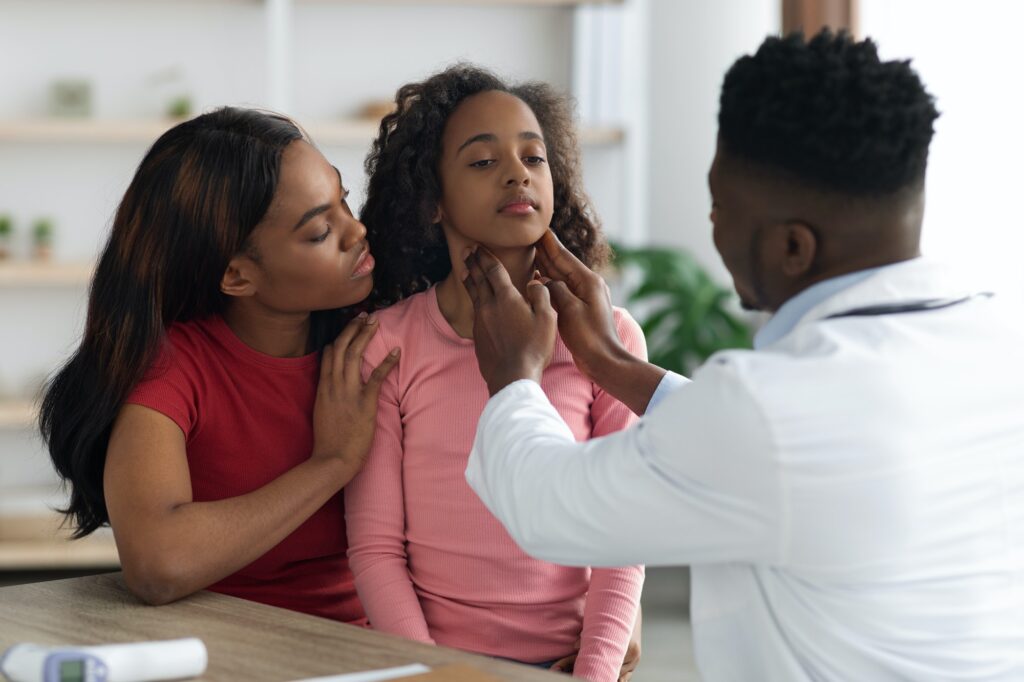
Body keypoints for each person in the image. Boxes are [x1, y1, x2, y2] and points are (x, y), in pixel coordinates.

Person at [460, 31, 1024, 681]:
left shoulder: (769, 414)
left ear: (793, 249)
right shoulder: (1000, 341)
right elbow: (780, 448)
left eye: (720, 204)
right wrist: (612, 366)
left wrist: (512, 374)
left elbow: (547, 507)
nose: (712, 223)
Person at [40, 107, 399, 622]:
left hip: (378, 647)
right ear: (237, 276)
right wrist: (332, 464)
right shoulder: (173, 369)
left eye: (343, 200)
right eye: (320, 231)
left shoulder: (377, 335)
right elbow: (157, 564)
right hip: (223, 652)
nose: (357, 230)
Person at [344, 65, 643, 680]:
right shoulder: (388, 345)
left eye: (534, 157)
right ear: (431, 201)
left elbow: (623, 537)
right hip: (433, 665)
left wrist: (595, 673)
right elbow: (375, 551)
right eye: (482, 162)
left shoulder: (611, 338)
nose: (517, 173)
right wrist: (435, 674)